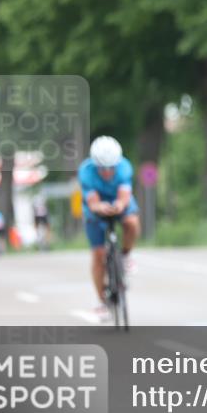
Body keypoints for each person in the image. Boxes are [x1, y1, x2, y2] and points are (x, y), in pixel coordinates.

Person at [78, 136, 140, 322]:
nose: (107, 172)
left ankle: (126, 254)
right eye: (102, 168)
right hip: (95, 209)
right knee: (98, 255)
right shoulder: (86, 171)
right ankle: (102, 301)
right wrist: (98, 208)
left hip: (118, 203)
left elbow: (124, 195)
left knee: (131, 222)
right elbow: (93, 200)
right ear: (95, 164)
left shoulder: (124, 167)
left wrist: (119, 206)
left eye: (111, 167)